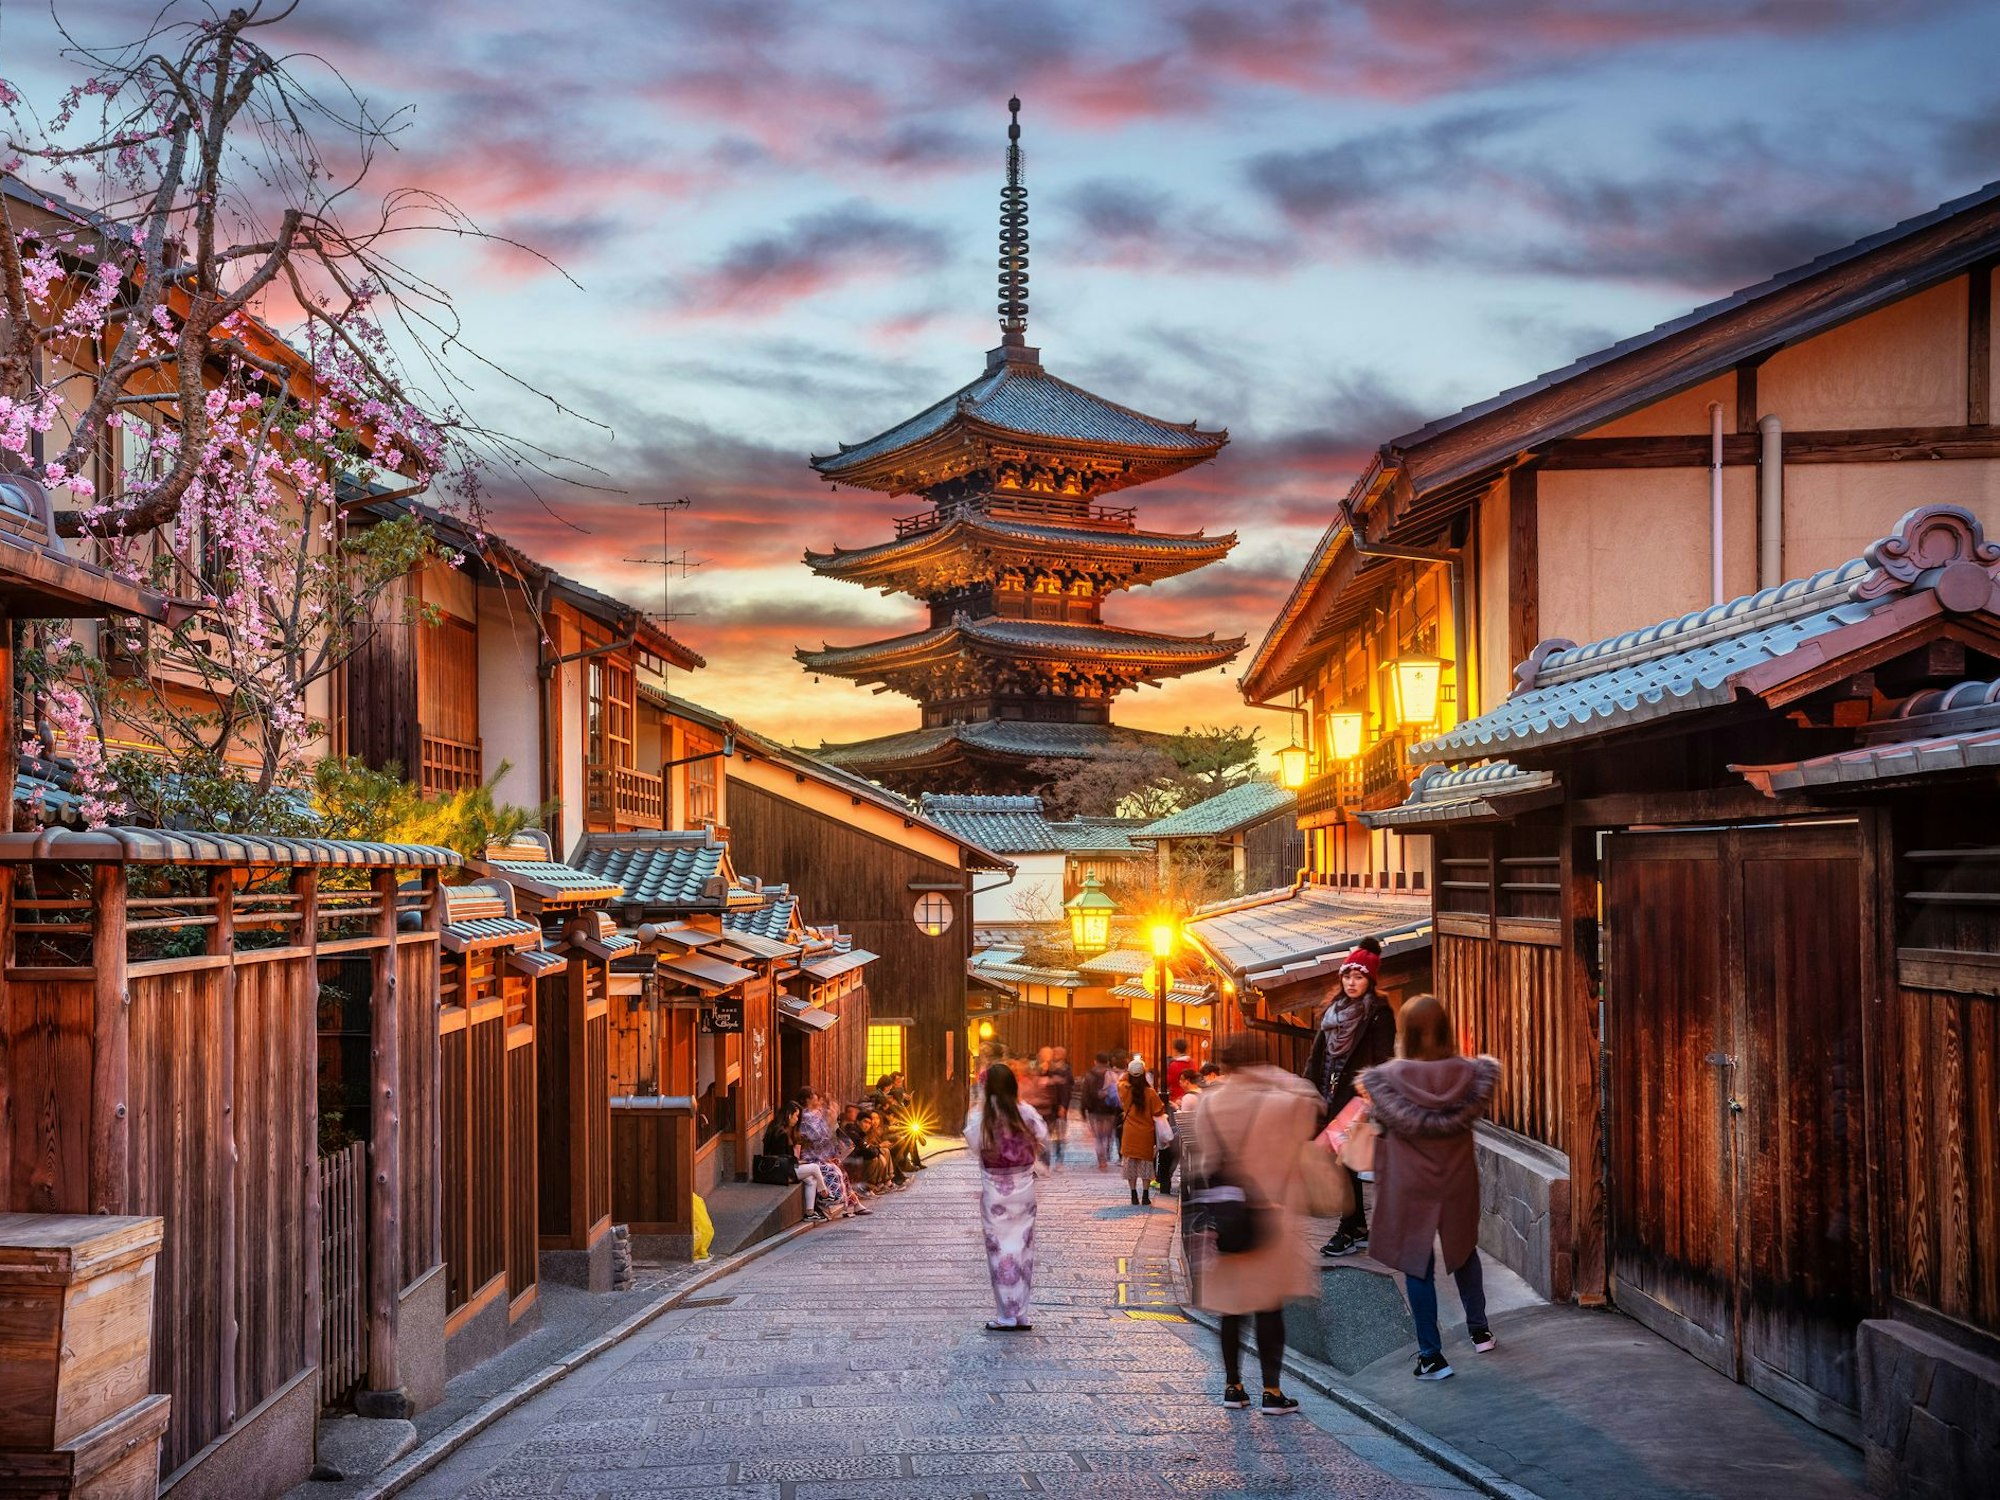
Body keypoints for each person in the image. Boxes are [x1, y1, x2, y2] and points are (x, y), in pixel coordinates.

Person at [1361, 994, 1500, 1381]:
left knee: (1417, 1263)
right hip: (1457, 1176)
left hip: (1411, 1181)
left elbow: (1381, 1127)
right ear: (1445, 1027)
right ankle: (1480, 1331)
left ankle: (1432, 1356)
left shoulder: (1387, 1079)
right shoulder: (1470, 1073)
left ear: (1404, 1031)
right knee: (1463, 1248)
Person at [1191, 1032, 1318, 1415]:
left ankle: (1233, 1386)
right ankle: (1272, 1391)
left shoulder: (1208, 1103)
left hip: (1227, 1213)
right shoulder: (1279, 1101)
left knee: (1232, 1308)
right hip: (1270, 1212)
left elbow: (1204, 1156)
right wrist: (1273, 1075)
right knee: (1268, 1306)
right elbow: (1313, 1102)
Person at [1305, 943, 1396, 1258]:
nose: (1352, 982)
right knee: (1343, 1166)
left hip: (1358, 1101)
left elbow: (1384, 1059)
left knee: (1346, 1165)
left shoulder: (1378, 1014)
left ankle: (1348, 1228)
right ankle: (1356, 1227)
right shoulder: (1333, 1010)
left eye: (1359, 977)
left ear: (1370, 980)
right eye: (1348, 976)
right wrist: (1309, 1088)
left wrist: (1372, 1099)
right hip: (1330, 1097)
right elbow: (1317, 1055)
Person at [964, 1061, 1050, 1331]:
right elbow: (1042, 1134)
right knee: (1023, 1248)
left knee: (999, 1249)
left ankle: (1006, 1314)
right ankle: (1020, 1311)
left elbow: (974, 1144)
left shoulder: (982, 1116)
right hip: (1023, 1186)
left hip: (994, 1187)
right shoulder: (1025, 1111)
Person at [795, 1088, 870, 1216]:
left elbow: (829, 1134)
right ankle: (831, 1201)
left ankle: (854, 1203)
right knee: (834, 1171)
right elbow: (818, 1136)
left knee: (841, 1169)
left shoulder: (817, 1113)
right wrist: (830, 1121)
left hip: (822, 1155)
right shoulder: (806, 1116)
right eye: (814, 1096)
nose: (817, 1098)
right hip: (811, 1157)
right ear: (807, 1099)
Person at [761, 1101, 829, 1222]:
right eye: (796, 1116)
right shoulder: (781, 1133)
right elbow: (783, 1157)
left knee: (811, 1180)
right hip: (781, 1170)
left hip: (777, 1167)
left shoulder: (774, 1127)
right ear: (788, 1115)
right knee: (814, 1167)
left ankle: (809, 1212)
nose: (797, 1119)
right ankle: (824, 1193)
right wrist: (798, 1162)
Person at [1119, 1055, 1167, 1207]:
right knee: (1146, 1164)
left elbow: (1121, 1080)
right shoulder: (1150, 1093)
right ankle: (1145, 1195)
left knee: (1131, 1164)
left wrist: (1131, 1071)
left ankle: (1133, 1195)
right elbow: (1159, 1111)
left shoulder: (1124, 1090)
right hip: (1146, 1133)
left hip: (1129, 1133)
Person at [1085, 1051, 1121, 1170]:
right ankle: (1106, 1154)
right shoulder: (1112, 1074)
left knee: (1098, 1137)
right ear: (1108, 1062)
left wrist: (1084, 1109)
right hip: (1109, 1109)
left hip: (1094, 1109)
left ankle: (1101, 1159)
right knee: (1107, 1135)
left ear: (1095, 1061)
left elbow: (1086, 1094)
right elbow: (1118, 1092)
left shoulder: (1089, 1075)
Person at [1044, 1046, 1074, 1165]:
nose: (1055, 1054)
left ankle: (1059, 1158)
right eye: (1054, 1052)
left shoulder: (1066, 1069)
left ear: (1063, 1055)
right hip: (1048, 1105)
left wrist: (1063, 1106)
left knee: (1060, 1134)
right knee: (1046, 1133)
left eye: (1058, 1053)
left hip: (1059, 1105)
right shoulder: (1047, 1068)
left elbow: (1067, 1089)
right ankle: (1045, 1159)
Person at [1165, 1036, 1198, 1104]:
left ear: (1176, 1050)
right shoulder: (1192, 1063)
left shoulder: (1173, 1065)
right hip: (1192, 1095)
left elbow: (1168, 1081)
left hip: (1176, 1098)